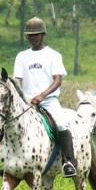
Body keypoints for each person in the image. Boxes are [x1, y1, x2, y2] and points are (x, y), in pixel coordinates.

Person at [13, 16, 77, 178]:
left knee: (61, 125)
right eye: (30, 35)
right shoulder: (21, 56)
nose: (33, 38)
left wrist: (42, 95)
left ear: (43, 35)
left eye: (36, 35)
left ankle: (69, 161)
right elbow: (17, 80)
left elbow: (57, 80)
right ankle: (10, 162)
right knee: (10, 123)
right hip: (27, 102)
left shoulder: (53, 55)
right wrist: (22, 97)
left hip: (48, 101)